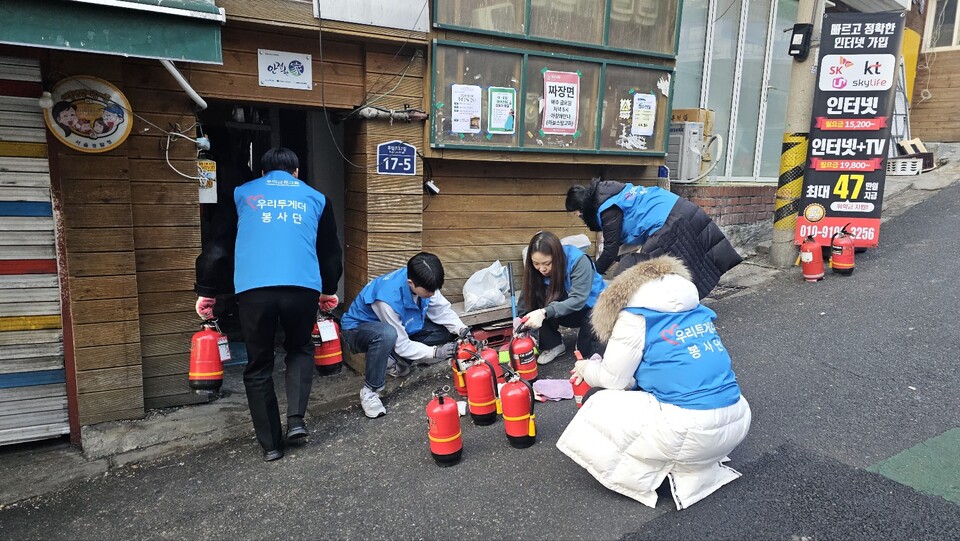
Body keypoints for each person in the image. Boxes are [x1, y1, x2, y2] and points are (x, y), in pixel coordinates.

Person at [556, 255, 751, 510]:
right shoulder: (694, 309)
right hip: (736, 421)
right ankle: (684, 462)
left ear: (623, 286)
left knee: (598, 400)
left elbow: (613, 379)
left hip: (692, 431)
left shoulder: (635, 316)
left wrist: (585, 367)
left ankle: (647, 474)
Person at [194, 147, 342, 462]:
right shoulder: (316, 198)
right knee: (299, 348)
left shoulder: (240, 195)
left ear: (261, 173)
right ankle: (296, 421)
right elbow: (330, 251)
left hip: (253, 290)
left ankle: (271, 445)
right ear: (297, 173)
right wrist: (328, 289)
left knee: (259, 364)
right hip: (302, 287)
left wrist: (206, 290)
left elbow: (218, 245)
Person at [341, 252, 470, 419]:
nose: (432, 294)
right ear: (411, 283)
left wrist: (462, 330)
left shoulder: (423, 280)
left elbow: (442, 311)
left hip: (400, 328)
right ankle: (370, 390)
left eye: (435, 290)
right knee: (387, 335)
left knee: (443, 332)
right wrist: (434, 352)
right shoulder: (387, 299)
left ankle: (395, 360)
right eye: (428, 291)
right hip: (358, 331)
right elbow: (401, 343)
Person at [565, 178, 742, 299]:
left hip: (669, 220)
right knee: (686, 259)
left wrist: (590, 275)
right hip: (678, 208)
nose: (579, 216)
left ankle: (672, 303)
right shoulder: (608, 192)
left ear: (583, 207)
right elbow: (619, 243)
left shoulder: (607, 209)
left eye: (577, 213)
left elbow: (610, 250)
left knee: (655, 266)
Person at [518, 231, 606, 365]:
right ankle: (554, 345)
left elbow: (578, 300)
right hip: (563, 306)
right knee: (536, 304)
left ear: (557, 256)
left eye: (547, 263)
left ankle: (590, 339)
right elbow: (527, 295)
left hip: (590, 307)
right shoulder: (535, 269)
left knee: (583, 353)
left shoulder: (579, 261)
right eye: (536, 263)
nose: (542, 269)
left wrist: (544, 312)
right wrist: (521, 322)